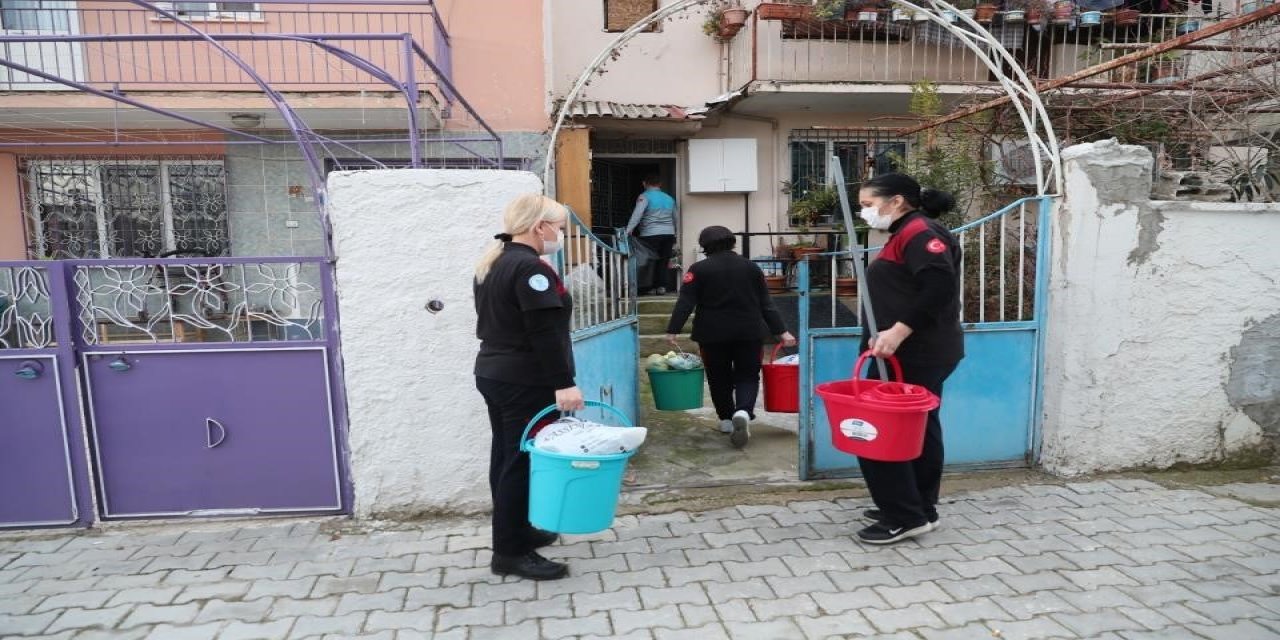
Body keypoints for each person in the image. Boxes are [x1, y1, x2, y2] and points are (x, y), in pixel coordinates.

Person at [473, 193, 585, 580]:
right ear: (540, 227)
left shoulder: (494, 263)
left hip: (496, 373)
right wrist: (564, 384)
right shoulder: (530, 269)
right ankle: (509, 552)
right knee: (520, 463)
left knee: (507, 458)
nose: (559, 234)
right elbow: (543, 332)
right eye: (557, 227)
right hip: (524, 379)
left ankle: (516, 531)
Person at [852, 173, 964, 545]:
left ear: (896, 201)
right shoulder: (905, 233)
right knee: (920, 428)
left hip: (911, 353)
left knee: (883, 430)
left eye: (868, 205)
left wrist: (897, 332)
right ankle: (917, 507)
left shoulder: (920, 233)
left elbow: (938, 286)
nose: (864, 212)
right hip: (909, 352)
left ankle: (904, 515)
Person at [664, 225, 797, 449]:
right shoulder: (751, 268)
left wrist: (673, 329)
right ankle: (743, 411)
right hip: (749, 332)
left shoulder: (698, 269)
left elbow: (685, 303)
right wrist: (782, 331)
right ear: (732, 242)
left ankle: (726, 419)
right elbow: (767, 304)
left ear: (705, 245)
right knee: (747, 375)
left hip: (711, 334)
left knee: (718, 377)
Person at [625, 175, 677, 296]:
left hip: (650, 234)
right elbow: (675, 217)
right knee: (664, 260)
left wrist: (629, 230)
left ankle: (648, 287)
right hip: (668, 233)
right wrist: (674, 231)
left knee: (648, 260)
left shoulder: (644, 196)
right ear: (660, 184)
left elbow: (637, 214)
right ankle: (661, 286)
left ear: (644, 183)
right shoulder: (669, 198)